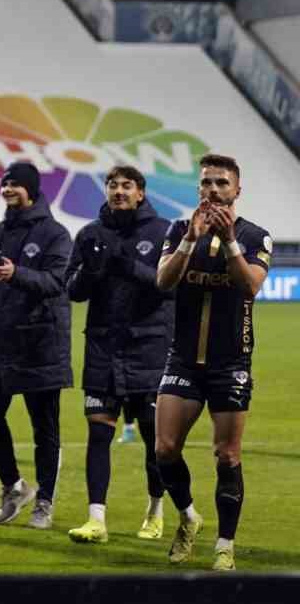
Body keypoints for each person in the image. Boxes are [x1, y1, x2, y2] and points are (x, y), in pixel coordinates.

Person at [152, 154, 272, 571]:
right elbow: (163, 281)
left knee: (227, 456)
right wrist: (190, 240)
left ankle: (225, 544)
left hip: (230, 364)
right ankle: (187, 518)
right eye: (206, 183)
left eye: (222, 183)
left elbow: (251, 286)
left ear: (238, 189)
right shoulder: (178, 231)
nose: (214, 190)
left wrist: (231, 242)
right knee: (165, 449)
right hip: (182, 360)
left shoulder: (256, 235)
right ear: (198, 189)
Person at [0, 161, 73, 530]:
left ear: (32, 190)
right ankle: (14, 487)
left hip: (41, 343)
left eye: (15, 185)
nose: (8, 190)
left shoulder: (56, 234)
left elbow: (58, 281)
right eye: (4, 184)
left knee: (44, 428)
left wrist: (17, 274)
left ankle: (45, 502)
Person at [64, 165, 174, 545]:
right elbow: (73, 291)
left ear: (141, 193)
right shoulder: (90, 234)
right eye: (112, 185)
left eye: (127, 185)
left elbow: (170, 288)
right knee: (98, 433)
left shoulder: (163, 232)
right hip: (103, 348)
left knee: (152, 438)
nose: (119, 191)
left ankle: (155, 510)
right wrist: (91, 273)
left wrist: (127, 267)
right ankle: (96, 519)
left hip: (150, 348)